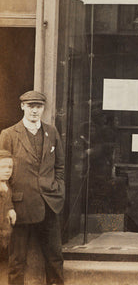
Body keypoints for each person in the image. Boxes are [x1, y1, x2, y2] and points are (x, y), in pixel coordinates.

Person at [0, 91, 65, 285]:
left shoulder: (51, 132)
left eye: (39, 107)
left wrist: (57, 187)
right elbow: (2, 173)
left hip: (49, 204)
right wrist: (9, 205)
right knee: (17, 260)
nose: (35, 111)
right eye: (30, 106)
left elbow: (59, 166)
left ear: (43, 108)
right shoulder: (9, 134)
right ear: (22, 107)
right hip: (20, 206)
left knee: (55, 258)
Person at [0, 150, 16, 258]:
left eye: (10, 167)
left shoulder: (6, 185)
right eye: (2, 167)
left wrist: (10, 208)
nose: (7, 171)